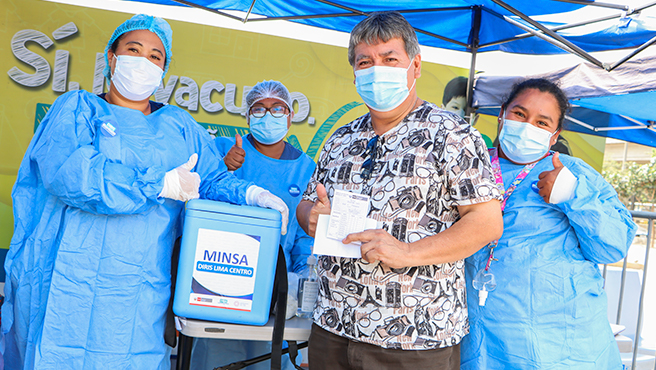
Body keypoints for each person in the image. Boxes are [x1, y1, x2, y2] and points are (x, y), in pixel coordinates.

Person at [1, 14, 289, 370]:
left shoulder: (179, 125)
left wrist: (253, 196)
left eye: (155, 56)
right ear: (112, 57)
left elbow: (211, 180)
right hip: (68, 284)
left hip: (140, 289)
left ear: (163, 69)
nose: (143, 61)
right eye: (133, 50)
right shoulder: (77, 110)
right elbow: (73, 175)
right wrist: (159, 184)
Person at [296, 11, 503, 370]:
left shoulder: (452, 135)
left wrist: (407, 252)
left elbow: (486, 223)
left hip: (414, 338)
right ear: (355, 73)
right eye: (366, 62)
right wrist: (310, 216)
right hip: (334, 326)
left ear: (416, 66)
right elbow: (307, 205)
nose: (377, 70)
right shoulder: (341, 138)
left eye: (390, 59)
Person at [460, 78, 637, 369]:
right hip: (482, 339)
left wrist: (573, 194)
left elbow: (612, 247)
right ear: (502, 113)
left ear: (554, 135)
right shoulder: (469, 167)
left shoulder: (574, 173)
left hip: (561, 341)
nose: (528, 126)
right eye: (520, 114)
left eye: (542, 123)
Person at [190, 80, 316, 370]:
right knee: (217, 358)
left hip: (276, 289)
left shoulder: (306, 168)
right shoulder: (224, 149)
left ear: (290, 116)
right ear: (247, 116)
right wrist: (224, 167)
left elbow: (304, 235)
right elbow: (196, 194)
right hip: (220, 276)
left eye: (277, 108)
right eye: (259, 108)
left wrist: (299, 279)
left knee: (267, 360)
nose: (268, 114)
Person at [441, 76, 493, 148]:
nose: (460, 115)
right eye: (455, 107)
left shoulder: (483, 141)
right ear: (441, 110)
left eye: (467, 111)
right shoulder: (432, 135)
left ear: (475, 119)